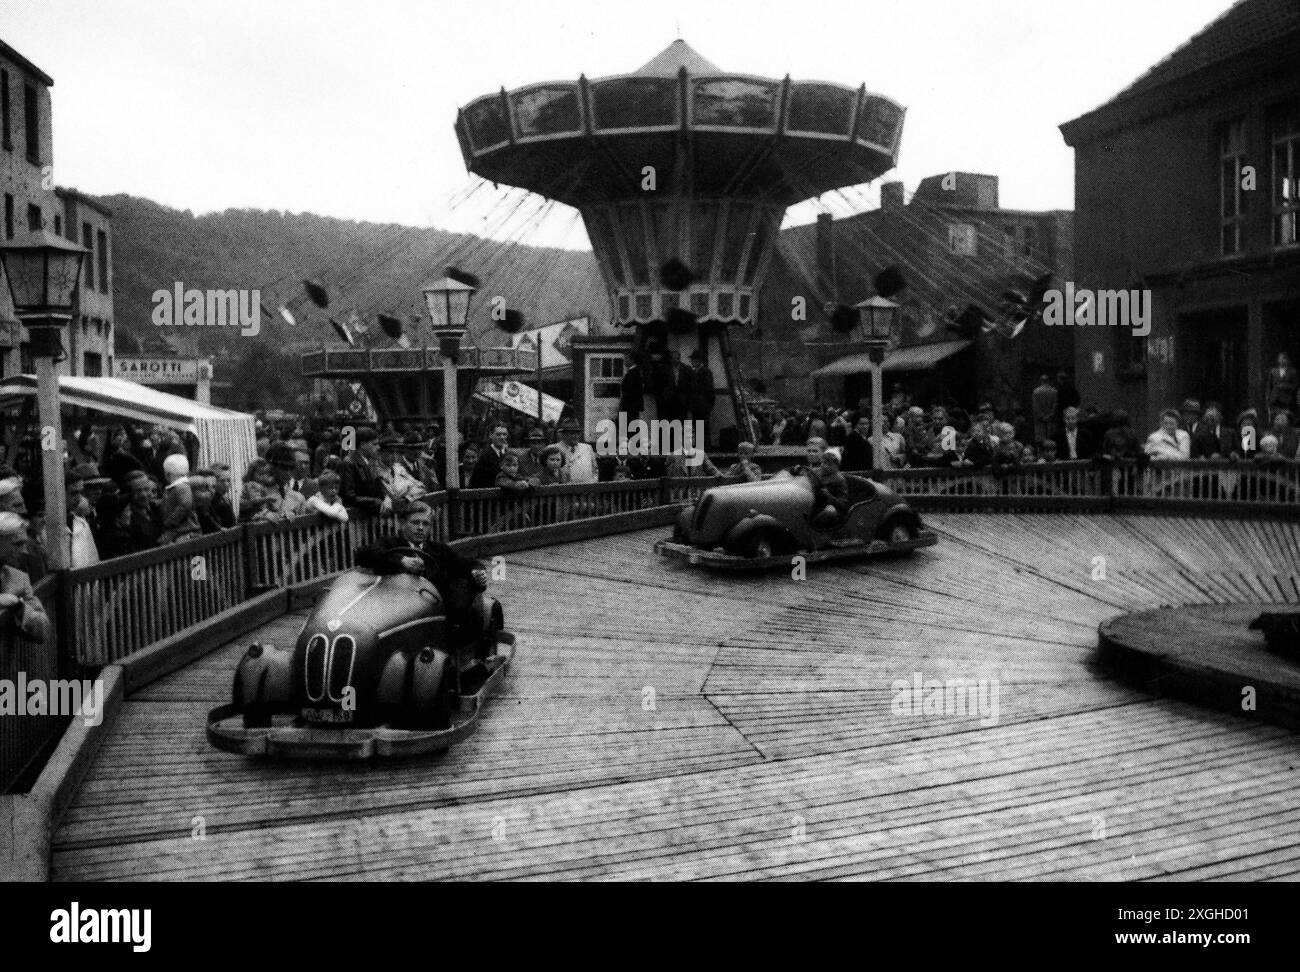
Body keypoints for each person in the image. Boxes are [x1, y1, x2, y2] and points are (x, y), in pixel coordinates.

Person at [354, 501, 487, 632]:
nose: (420, 528)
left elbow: (465, 564)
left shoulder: (438, 550)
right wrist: (401, 560)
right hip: (395, 609)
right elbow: (363, 554)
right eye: (415, 522)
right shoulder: (390, 544)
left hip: (431, 612)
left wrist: (478, 571)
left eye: (425, 524)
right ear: (402, 524)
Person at [0, 512, 49, 641]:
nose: (23, 551)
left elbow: (43, 629)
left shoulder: (18, 578)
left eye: (24, 544)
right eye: (17, 544)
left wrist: (18, 606)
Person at [338, 426, 390, 514]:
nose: (378, 447)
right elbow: (348, 496)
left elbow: (377, 487)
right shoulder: (349, 463)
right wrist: (377, 502)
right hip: (354, 518)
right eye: (374, 444)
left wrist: (385, 498)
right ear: (362, 445)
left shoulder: (371, 462)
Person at [115, 471, 164, 553]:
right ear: (129, 493)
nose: (144, 495)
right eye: (138, 491)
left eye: (147, 489)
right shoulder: (126, 519)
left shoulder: (157, 509)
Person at [158, 454, 201, 545]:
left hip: (185, 532)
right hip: (178, 532)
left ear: (168, 473)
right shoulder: (177, 487)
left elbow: (185, 505)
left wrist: (170, 522)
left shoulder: (181, 487)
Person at [555, 418, 599, 484]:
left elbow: (595, 470)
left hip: (588, 489)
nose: (576, 436)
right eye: (572, 433)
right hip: (565, 490)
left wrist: (592, 483)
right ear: (563, 435)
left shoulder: (587, 448)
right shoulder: (554, 448)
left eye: (578, 433)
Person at [470, 424, 512, 489]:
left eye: (504, 434)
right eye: (498, 434)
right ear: (491, 435)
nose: (502, 437)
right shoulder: (484, 455)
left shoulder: (510, 453)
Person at [1266, 352, 1298, 423]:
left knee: (1285, 419)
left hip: (1286, 401)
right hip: (1274, 400)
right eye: (1280, 358)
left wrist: (1285, 386)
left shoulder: (1292, 372)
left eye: (1284, 358)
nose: (1282, 360)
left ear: (1287, 360)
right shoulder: (1273, 371)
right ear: (1278, 360)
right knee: (1275, 419)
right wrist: (1268, 398)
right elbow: (1269, 386)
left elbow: (1295, 386)